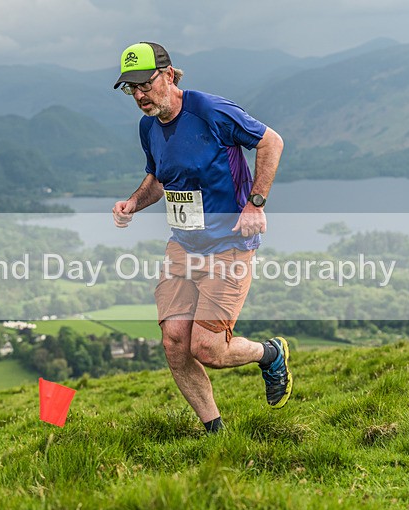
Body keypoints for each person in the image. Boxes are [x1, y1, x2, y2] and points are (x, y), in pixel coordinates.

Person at [111, 42, 292, 433]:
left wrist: (255, 203)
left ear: (169, 74)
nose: (140, 95)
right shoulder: (149, 127)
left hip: (229, 245)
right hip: (183, 246)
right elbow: (159, 179)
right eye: (132, 89)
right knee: (175, 341)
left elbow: (270, 141)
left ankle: (270, 353)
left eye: (145, 84)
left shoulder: (209, 111)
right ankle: (215, 432)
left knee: (207, 348)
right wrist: (132, 203)